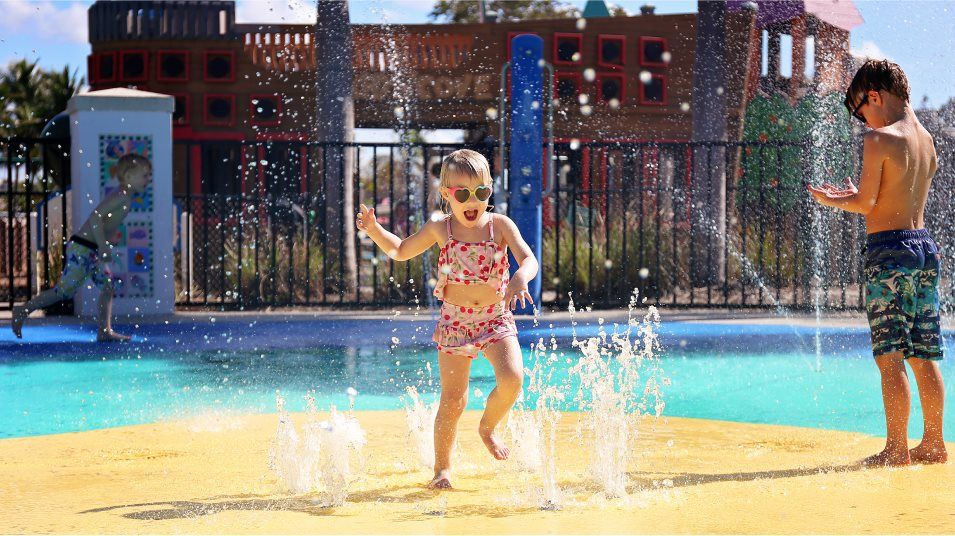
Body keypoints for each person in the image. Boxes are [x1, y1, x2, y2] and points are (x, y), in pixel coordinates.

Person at [356, 149, 539, 488]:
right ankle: (442, 469)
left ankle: (487, 427)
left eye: (481, 192)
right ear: (446, 195)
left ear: (490, 190)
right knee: (453, 399)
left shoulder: (499, 226)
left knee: (513, 379)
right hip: (456, 325)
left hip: (495, 319)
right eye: (462, 193)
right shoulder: (441, 228)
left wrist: (521, 277)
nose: (473, 201)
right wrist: (375, 230)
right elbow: (400, 250)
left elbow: (529, 258)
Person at [809, 60, 946, 466]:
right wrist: (862, 193)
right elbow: (897, 196)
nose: (862, 120)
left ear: (875, 96)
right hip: (924, 251)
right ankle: (935, 443)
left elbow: (867, 204)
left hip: (888, 253)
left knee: (890, 357)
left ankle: (896, 449)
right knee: (924, 354)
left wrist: (832, 199)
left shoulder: (879, 139)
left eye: (862, 110)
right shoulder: (926, 141)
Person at [12, 153, 152, 342]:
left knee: (108, 286)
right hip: (83, 248)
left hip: (91, 249)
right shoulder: (120, 196)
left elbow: (103, 222)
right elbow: (95, 217)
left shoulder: (125, 197)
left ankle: (104, 331)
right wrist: (103, 245)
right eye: (144, 175)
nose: (148, 179)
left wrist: (107, 241)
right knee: (63, 292)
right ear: (128, 177)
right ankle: (23, 310)